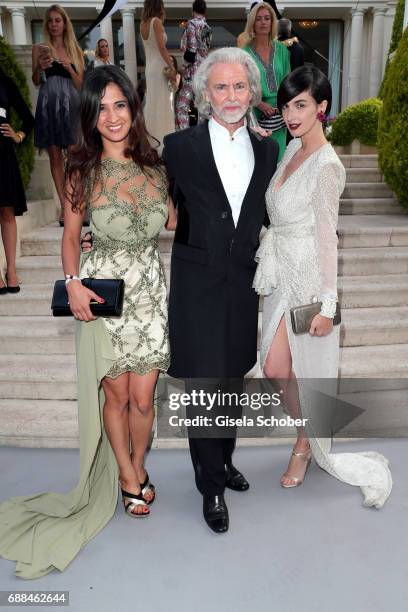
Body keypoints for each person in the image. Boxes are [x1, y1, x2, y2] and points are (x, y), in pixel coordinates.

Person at [0, 66, 174, 579]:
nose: (112, 116)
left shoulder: (155, 167)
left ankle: (137, 463)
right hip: (104, 296)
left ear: (133, 109)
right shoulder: (82, 171)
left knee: (145, 398)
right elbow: (72, 237)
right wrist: (72, 281)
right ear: (90, 116)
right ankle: (127, 476)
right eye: (102, 108)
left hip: (150, 293)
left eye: (120, 105)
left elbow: (174, 220)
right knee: (116, 397)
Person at [254, 66, 392, 506]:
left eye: (301, 105)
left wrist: (328, 306)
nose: (292, 114)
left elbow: (327, 238)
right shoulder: (290, 148)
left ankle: (304, 444)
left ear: (322, 107)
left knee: (289, 370)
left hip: (307, 275)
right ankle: (308, 435)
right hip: (278, 270)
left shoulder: (328, 165)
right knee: (275, 367)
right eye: (287, 105)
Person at [163, 48, 279, 533]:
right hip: (195, 282)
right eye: (220, 87)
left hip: (242, 284)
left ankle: (224, 460)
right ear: (204, 94)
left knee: (231, 379)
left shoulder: (269, 150)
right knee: (203, 386)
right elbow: (158, 208)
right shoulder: (177, 147)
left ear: (252, 92)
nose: (230, 96)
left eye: (239, 86)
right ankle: (210, 485)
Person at [32, 4, 84, 226]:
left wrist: (71, 69)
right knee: (55, 156)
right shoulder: (40, 48)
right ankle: (65, 208)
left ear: (64, 23)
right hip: (48, 104)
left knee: (74, 155)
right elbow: (35, 82)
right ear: (47, 24)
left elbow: (81, 85)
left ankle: (78, 203)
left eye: (58, 20)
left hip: (71, 105)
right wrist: (40, 69)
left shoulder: (75, 49)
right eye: (50, 21)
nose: (54, 24)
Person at [241, 2, 290, 161]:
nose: (263, 22)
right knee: (260, 161)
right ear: (252, 23)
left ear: (272, 22)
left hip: (279, 113)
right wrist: (259, 104)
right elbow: (242, 85)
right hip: (255, 114)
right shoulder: (244, 53)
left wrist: (283, 106)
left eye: (267, 18)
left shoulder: (282, 50)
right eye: (259, 19)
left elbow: (288, 81)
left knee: (279, 158)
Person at [0, 67, 35, 294]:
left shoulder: (4, 80)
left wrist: (18, 135)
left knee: (6, 212)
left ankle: (11, 270)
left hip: (2, 152)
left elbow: (28, 119)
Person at [141, 0, 176, 152]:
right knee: (163, 105)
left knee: (152, 104)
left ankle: (150, 142)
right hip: (160, 68)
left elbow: (147, 50)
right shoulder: (156, 22)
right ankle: (163, 144)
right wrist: (172, 66)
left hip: (150, 69)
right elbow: (162, 48)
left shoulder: (142, 24)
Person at [175, 0, 212, 130]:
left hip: (192, 73)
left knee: (182, 106)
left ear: (193, 10)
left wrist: (184, 66)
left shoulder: (191, 24)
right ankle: (201, 134)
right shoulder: (208, 27)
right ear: (205, 11)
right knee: (200, 105)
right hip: (203, 72)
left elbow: (191, 50)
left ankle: (186, 134)